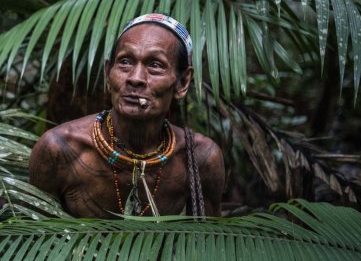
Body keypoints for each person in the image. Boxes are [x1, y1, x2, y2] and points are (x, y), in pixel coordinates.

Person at [29, 13, 225, 218]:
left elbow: (204, 241)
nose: (135, 78)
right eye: (125, 62)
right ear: (107, 73)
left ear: (183, 82)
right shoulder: (59, 149)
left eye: (155, 65)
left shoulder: (201, 158)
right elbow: (35, 241)